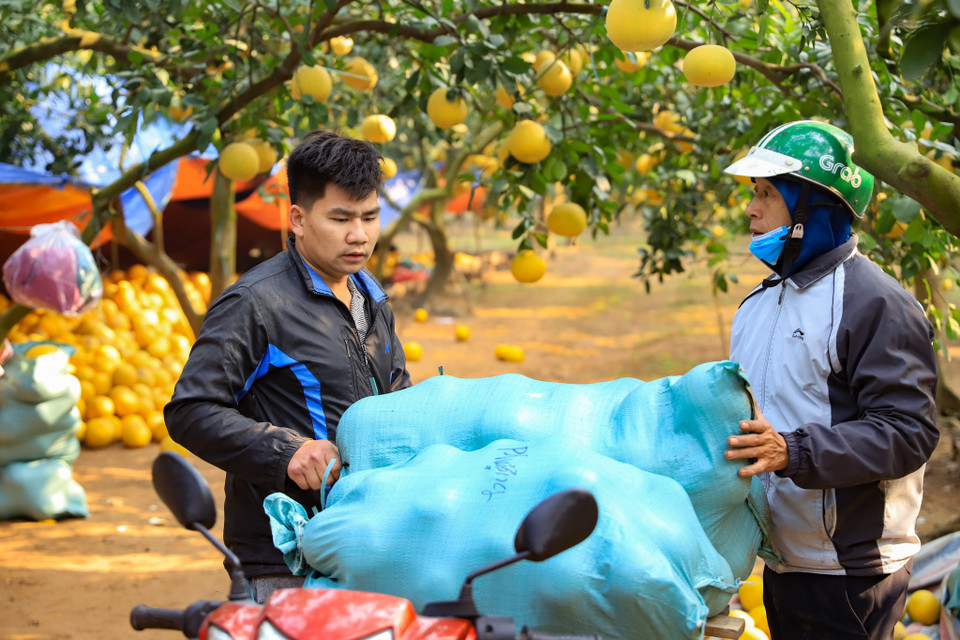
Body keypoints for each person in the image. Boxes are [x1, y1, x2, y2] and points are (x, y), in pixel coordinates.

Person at [165, 129, 412, 603]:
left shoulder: (369, 295)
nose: (358, 234)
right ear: (297, 219)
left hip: (367, 542)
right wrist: (286, 451)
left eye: (370, 217)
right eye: (340, 218)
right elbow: (191, 409)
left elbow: (397, 394)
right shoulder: (257, 303)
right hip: (287, 559)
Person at [722, 120, 939, 639]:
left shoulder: (875, 304)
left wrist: (793, 452)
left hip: (850, 572)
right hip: (784, 561)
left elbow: (909, 432)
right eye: (754, 192)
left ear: (811, 209)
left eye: (768, 193)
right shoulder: (760, 302)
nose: (751, 208)